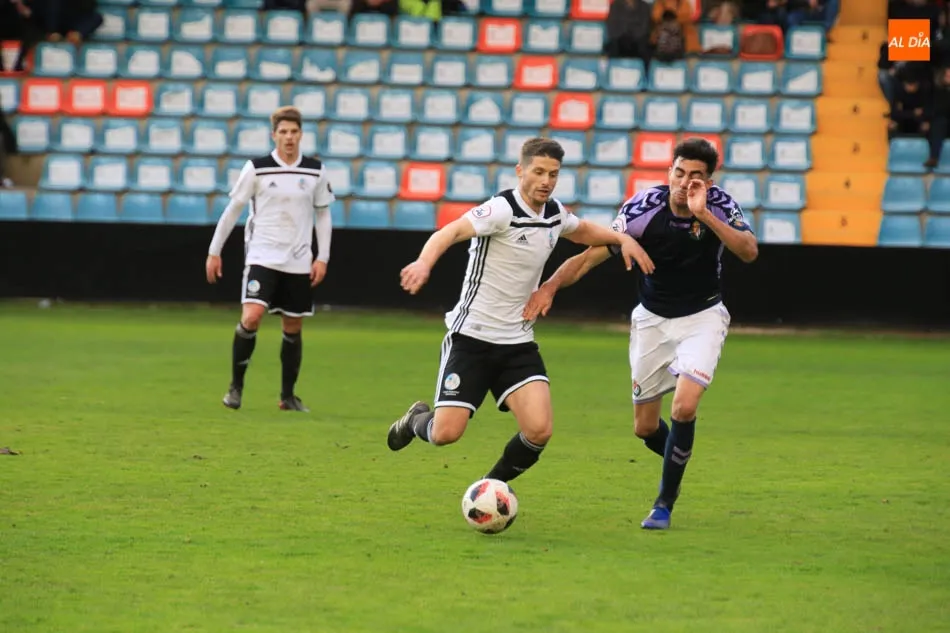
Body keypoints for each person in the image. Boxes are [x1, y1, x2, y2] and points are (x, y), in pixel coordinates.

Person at [386, 137, 655, 487]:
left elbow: (585, 231)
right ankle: (414, 420)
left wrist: (623, 239)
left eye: (553, 174)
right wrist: (423, 263)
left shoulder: (555, 213)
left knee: (539, 430)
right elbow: (449, 232)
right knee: (445, 434)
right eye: (539, 172)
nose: (546, 180)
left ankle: (488, 488)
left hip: (517, 342)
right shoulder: (500, 210)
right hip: (472, 338)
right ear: (520, 170)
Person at [523, 138, 758, 530]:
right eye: (679, 173)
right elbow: (589, 256)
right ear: (670, 172)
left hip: (703, 316)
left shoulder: (720, 205)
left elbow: (749, 251)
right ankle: (678, 455)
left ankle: (664, 502)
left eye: (695, 177)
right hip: (651, 320)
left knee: (683, 407)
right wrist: (548, 288)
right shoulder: (643, 209)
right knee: (645, 428)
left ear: (709, 182)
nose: (684, 183)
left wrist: (707, 216)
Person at [205, 106, 335, 412]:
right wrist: (214, 250)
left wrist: (323, 256)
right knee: (251, 317)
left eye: (294, 132)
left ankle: (287, 396)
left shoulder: (315, 170)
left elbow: (323, 214)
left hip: (299, 259)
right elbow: (233, 210)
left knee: (293, 327)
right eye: (283, 132)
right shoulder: (257, 168)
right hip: (262, 255)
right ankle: (235, 388)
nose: (289, 138)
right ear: (273, 135)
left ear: (301, 134)